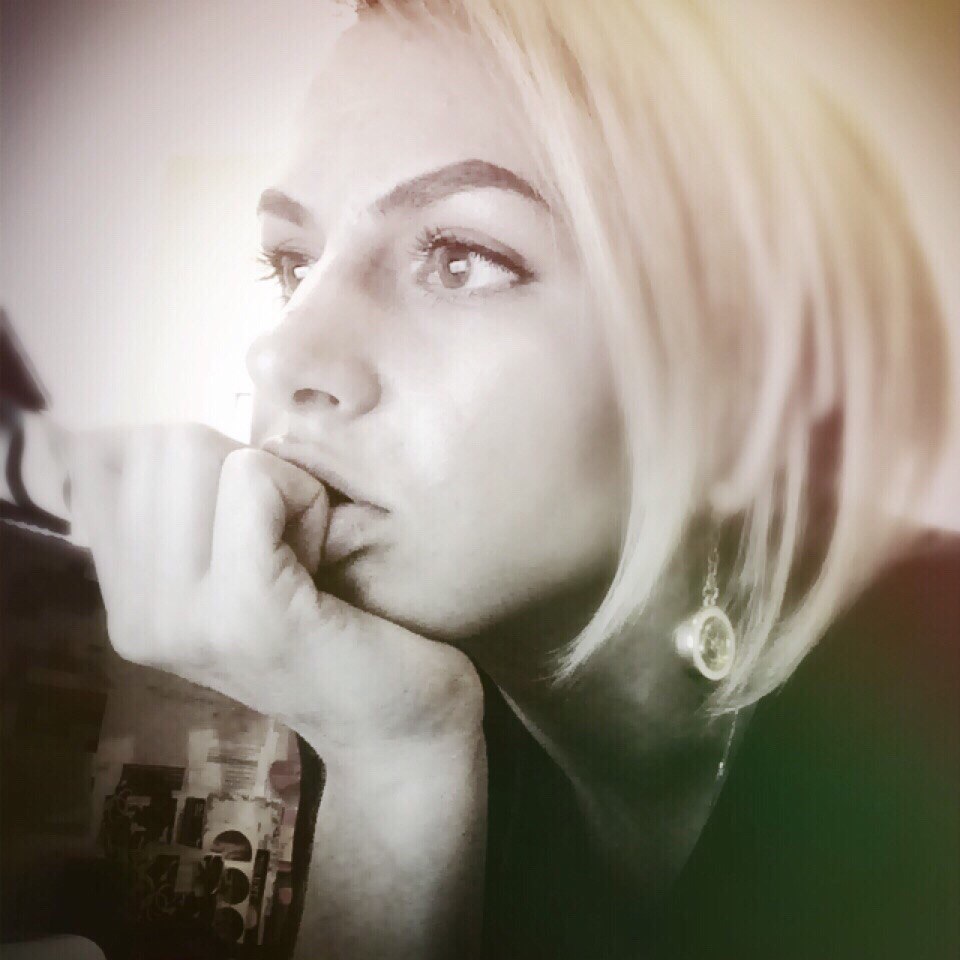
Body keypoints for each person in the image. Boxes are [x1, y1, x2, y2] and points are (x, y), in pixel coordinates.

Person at [62, 1, 957, 958]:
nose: (281, 355)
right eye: (292, 264)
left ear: (741, 384)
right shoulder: (334, 682)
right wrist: (392, 763)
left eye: (460, 260)